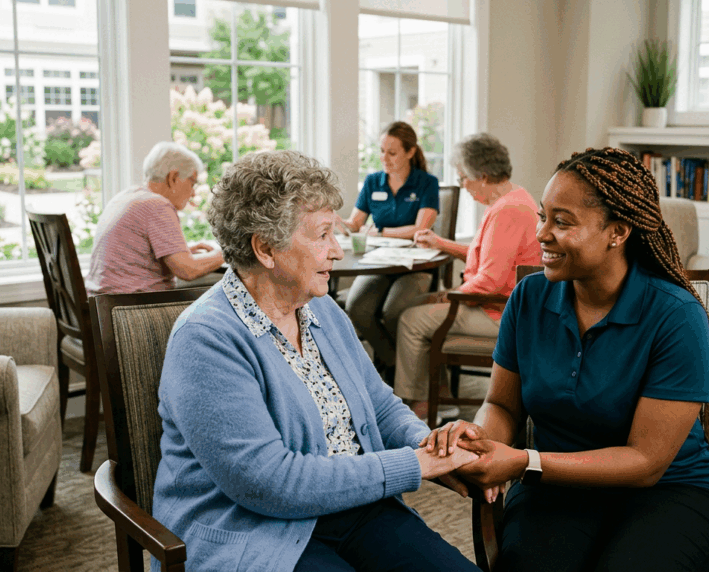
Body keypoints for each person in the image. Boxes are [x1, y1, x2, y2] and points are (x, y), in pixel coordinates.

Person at [152, 150, 482, 572]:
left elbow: (378, 404)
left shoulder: (320, 308)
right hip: (254, 529)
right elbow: (271, 483)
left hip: (352, 507)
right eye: (324, 234)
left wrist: (431, 444)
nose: (337, 251)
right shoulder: (206, 339)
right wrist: (417, 464)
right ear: (266, 248)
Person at [424, 147, 709, 572]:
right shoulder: (528, 299)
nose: (541, 234)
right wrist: (482, 441)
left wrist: (523, 460)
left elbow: (645, 462)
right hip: (555, 487)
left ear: (618, 232)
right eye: (542, 216)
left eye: (562, 222)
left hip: (671, 490)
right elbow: (502, 405)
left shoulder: (676, 316)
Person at [393, 133, 540, 422]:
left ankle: (420, 405)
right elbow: (489, 258)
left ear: (482, 176)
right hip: (501, 304)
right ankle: (440, 392)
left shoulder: (507, 212)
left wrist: (449, 295)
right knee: (416, 303)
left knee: (410, 318)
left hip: (500, 313)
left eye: (463, 179)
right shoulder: (513, 199)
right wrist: (440, 243)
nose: (463, 186)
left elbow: (489, 281)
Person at [343, 121, 440, 374]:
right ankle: (395, 366)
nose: (384, 158)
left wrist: (383, 231)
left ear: (410, 152)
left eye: (392, 152)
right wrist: (334, 219)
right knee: (357, 308)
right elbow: (356, 223)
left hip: (416, 265)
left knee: (395, 310)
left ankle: (414, 374)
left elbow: (421, 229)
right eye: (382, 150)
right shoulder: (373, 181)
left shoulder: (426, 183)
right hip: (380, 263)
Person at [85, 141, 224, 295]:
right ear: (173, 178)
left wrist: (182, 252)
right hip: (129, 308)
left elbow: (137, 258)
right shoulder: (157, 205)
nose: (193, 193)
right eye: (192, 183)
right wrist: (227, 253)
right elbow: (187, 270)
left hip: (105, 305)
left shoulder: (127, 197)